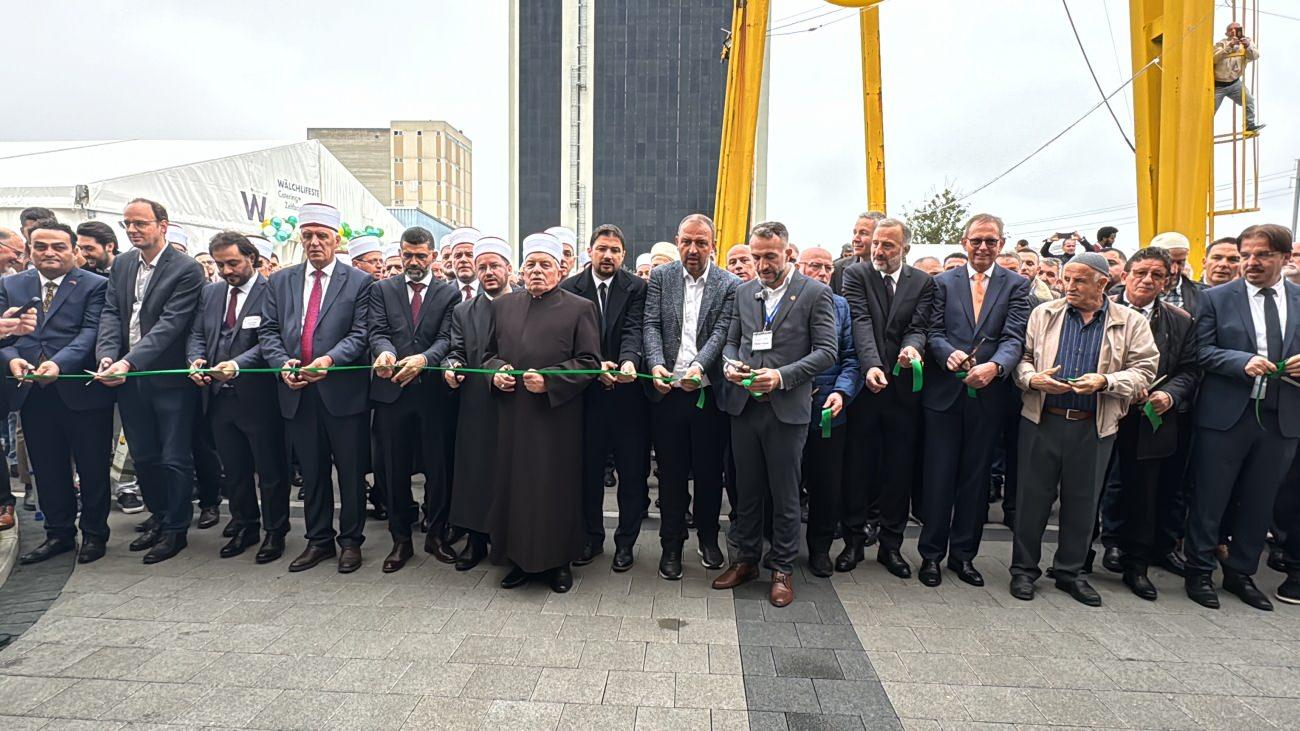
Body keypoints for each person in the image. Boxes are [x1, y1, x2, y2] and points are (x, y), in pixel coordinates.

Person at [1010, 253, 1157, 605]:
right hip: (1042, 418)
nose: (1068, 286)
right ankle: (1023, 570)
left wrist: (1106, 381)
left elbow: (1145, 369)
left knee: (1083, 502)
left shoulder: (1130, 321)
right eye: (1066, 279)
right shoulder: (1044, 313)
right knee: (1032, 500)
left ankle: (1069, 572)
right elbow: (1023, 358)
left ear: (1102, 283)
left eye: (1078, 280)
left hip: (1094, 424)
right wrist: (1033, 379)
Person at [713, 222, 836, 606]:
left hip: (786, 410)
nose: (762, 264)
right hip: (745, 407)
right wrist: (731, 365)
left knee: (785, 495)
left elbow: (827, 351)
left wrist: (781, 377)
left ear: (788, 253)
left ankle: (782, 568)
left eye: (770, 256)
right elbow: (733, 339)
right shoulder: (745, 292)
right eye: (756, 256)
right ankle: (747, 559)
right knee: (746, 491)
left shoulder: (815, 293)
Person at [1184, 224, 1300, 611]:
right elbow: (1201, 351)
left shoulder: (1299, 299)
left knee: (1260, 498)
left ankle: (1241, 572)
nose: (1251, 262)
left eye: (1262, 255)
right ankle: (1199, 570)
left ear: (1284, 258)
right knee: (1210, 495)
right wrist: (1242, 361)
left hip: (1281, 416)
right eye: (1246, 254)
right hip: (1227, 413)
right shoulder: (1217, 299)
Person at [918, 213, 1031, 588]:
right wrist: (947, 353)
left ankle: (963, 557)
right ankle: (931, 555)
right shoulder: (941, 283)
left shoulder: (1016, 285)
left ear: (1001, 244)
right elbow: (932, 331)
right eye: (977, 240)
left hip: (988, 394)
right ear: (965, 242)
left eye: (991, 241)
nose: (983, 247)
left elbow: (1015, 337)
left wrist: (996, 368)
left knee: (976, 479)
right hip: (945, 394)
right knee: (938, 476)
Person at [259, 202, 373, 574]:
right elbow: (269, 331)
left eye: (321, 236)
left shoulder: (359, 281)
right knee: (312, 470)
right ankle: (318, 539)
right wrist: (282, 365)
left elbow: (361, 334)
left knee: (351, 472)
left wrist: (329, 361)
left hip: (342, 393)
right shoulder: (280, 280)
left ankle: (351, 541)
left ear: (336, 239)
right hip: (298, 391)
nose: (314, 243)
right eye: (307, 236)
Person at [485, 232, 601, 593]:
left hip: (557, 418)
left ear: (560, 269)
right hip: (514, 417)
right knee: (515, 488)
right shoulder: (503, 306)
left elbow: (590, 363)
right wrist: (496, 373)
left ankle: (558, 562)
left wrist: (550, 380)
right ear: (521, 269)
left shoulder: (579, 308)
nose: (537, 271)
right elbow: (488, 355)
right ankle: (519, 560)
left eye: (545, 265)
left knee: (555, 489)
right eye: (531, 264)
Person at [94, 198, 205, 564]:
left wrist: (128, 362)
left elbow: (170, 326)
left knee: (174, 457)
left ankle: (176, 528)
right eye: (127, 224)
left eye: (140, 223)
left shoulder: (186, 269)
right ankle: (158, 515)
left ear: (163, 225)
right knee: (144, 456)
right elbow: (112, 312)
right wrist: (108, 356)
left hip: (168, 380)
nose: (132, 230)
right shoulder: (124, 264)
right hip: (128, 379)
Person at [2, 222, 113, 564]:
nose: (49, 252)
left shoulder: (96, 285)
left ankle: (94, 534)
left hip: (80, 389)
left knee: (93, 467)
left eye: (58, 246)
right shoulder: (10, 285)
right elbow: (5, 334)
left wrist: (60, 364)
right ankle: (59, 534)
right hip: (32, 392)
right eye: (41, 246)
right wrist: (13, 359)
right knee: (47, 468)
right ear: (30, 251)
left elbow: (91, 332)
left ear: (73, 250)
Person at [643, 214, 740, 579]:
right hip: (668, 393)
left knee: (709, 473)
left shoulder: (728, 283)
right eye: (687, 241)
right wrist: (655, 365)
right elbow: (651, 324)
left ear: (713, 244)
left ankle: (709, 538)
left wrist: (700, 366)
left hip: (707, 395)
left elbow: (720, 332)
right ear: (677, 240)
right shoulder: (662, 277)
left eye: (701, 242)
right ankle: (671, 543)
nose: (693, 249)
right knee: (670, 473)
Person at [185, 231, 289, 563]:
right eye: (220, 265)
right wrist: (196, 361)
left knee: (270, 470)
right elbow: (198, 333)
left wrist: (237, 365)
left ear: (252, 258)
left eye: (233, 263)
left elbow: (272, 341)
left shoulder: (272, 290)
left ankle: (275, 531)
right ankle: (245, 525)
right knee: (235, 469)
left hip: (259, 398)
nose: (227, 271)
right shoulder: (212, 293)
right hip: (218, 398)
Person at [839, 218, 933, 577]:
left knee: (898, 469)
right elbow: (860, 321)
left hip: (904, 393)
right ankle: (852, 542)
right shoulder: (856, 274)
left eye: (888, 245)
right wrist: (872, 366)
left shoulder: (923, 282)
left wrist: (912, 348)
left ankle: (891, 546)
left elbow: (919, 326)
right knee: (857, 467)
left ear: (905, 248)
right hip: (866, 388)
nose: (878, 250)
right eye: (876, 243)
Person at [1105, 246, 1198, 599]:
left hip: (1149, 416)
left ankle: (1136, 565)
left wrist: (1169, 395)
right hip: (1100, 407)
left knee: (1144, 492)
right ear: (1125, 275)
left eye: (1157, 275)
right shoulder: (1098, 306)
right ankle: (1081, 558)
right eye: (1140, 272)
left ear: (1167, 280)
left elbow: (1189, 370)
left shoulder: (1180, 320)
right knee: (1093, 486)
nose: (1147, 280)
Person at [369, 226, 460, 572]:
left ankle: (436, 534)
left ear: (433, 257)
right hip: (391, 392)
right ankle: (400, 540)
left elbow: (447, 338)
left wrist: (423, 360)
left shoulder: (448, 293)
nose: (413, 262)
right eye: (407, 255)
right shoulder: (382, 289)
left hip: (432, 395)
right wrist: (386, 353)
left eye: (421, 256)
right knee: (392, 469)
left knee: (438, 468)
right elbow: (377, 331)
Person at [560, 224, 650, 570]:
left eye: (614, 250)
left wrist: (628, 362)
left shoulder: (637, 287)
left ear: (623, 255)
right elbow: (570, 338)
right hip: (586, 397)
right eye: (602, 249)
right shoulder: (571, 288)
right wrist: (597, 366)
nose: (608, 255)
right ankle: (591, 537)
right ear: (590, 252)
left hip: (628, 398)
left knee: (631, 473)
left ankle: (626, 543)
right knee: (588, 472)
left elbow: (634, 329)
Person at [443, 236, 513, 570]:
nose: (487, 272)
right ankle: (475, 540)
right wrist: (451, 368)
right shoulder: (463, 310)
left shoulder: (526, 304)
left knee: (510, 473)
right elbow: (456, 352)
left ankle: (509, 538)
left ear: (508, 269)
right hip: (474, 403)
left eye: (494, 265)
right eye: (482, 266)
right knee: (474, 472)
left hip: (515, 403)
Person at [797, 246, 860, 576]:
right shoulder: (785, 301)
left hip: (829, 410)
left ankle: (820, 549)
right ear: (799, 267)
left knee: (826, 484)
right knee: (784, 482)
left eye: (826, 268)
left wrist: (842, 392)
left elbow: (851, 358)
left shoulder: (841, 307)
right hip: (787, 408)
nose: (821, 273)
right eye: (814, 266)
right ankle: (782, 545)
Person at [1213, 22, 1262, 132]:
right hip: (1219, 85)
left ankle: (1249, 125)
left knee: (1248, 100)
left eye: (1236, 29)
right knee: (1210, 109)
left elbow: (1255, 56)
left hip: (1235, 83)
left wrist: (1247, 45)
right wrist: (1229, 47)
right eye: (1231, 29)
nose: (1234, 31)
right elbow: (1214, 59)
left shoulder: (1246, 42)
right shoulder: (1221, 44)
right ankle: (1203, 127)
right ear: (1227, 33)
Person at [1147, 232, 1203, 312]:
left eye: (1180, 263)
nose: (1174, 270)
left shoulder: (1202, 295)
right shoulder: (1133, 292)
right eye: (1168, 262)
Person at [830, 212, 884, 293]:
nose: (855, 239)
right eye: (855, 233)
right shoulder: (837, 270)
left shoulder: (894, 270)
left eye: (863, 233)